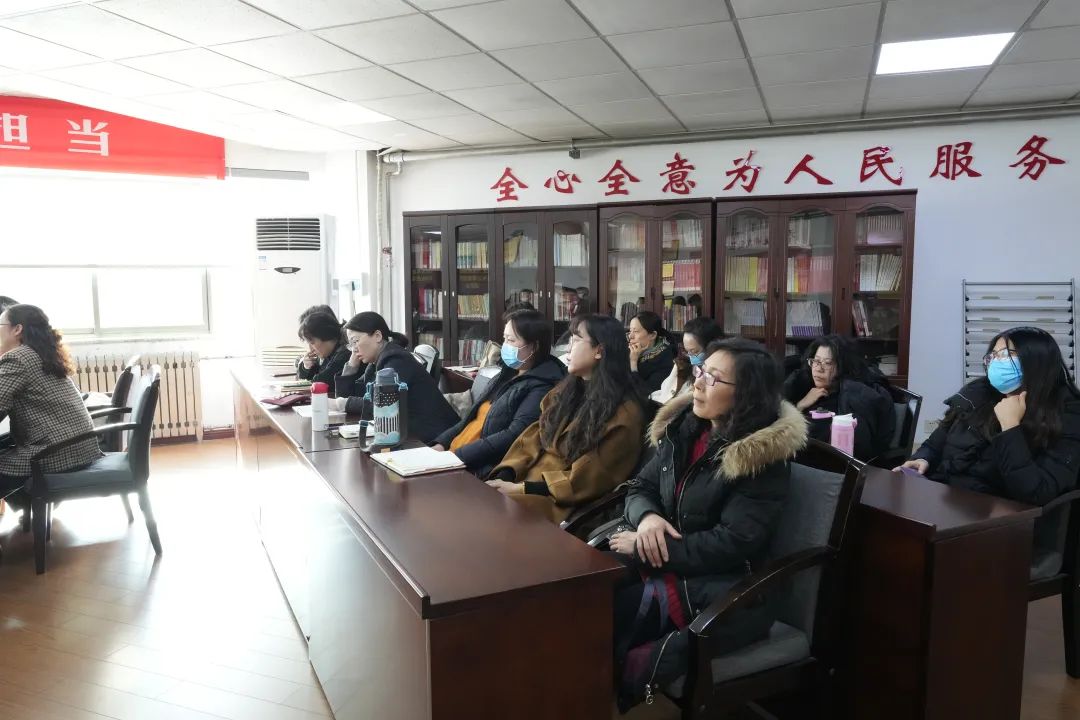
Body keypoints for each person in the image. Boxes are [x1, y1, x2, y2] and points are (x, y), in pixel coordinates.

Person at [609, 338, 807, 711]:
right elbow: (641, 487)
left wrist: (650, 547)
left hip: (722, 585)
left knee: (603, 616)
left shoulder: (759, 456)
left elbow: (733, 542)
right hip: (669, 560)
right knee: (583, 587)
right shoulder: (687, 428)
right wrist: (648, 519)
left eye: (713, 378)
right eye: (701, 370)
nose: (697, 383)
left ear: (746, 395)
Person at [897, 327, 1080, 561]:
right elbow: (937, 441)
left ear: (1036, 361)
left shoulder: (1067, 415)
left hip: (1006, 525)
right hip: (949, 505)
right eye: (993, 355)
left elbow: (1036, 492)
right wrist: (923, 457)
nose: (996, 362)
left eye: (1007, 355)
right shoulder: (979, 393)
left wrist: (1011, 428)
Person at [486, 314, 645, 524]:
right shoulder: (565, 391)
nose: (568, 347)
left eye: (577, 339)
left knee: (490, 515)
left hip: (560, 505)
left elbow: (587, 479)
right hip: (524, 482)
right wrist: (506, 475)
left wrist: (521, 488)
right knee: (479, 499)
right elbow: (533, 438)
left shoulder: (624, 414)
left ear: (599, 350)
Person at [432, 309, 565, 477]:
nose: (505, 345)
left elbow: (513, 435)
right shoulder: (506, 373)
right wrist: (441, 444)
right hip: (453, 457)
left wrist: (456, 457)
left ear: (534, 346)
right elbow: (471, 417)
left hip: (475, 467)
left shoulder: (542, 386)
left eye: (511, 340)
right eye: (504, 339)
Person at [0, 304, 103, 508]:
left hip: (54, 454)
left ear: (17, 329)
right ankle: (29, 509)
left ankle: (30, 505)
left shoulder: (18, 357)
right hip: (78, 447)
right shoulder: (42, 353)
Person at [335, 312, 458, 444]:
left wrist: (341, 404)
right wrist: (352, 365)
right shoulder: (377, 362)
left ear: (377, 336)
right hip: (412, 435)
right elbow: (351, 395)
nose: (354, 349)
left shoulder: (396, 361)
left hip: (437, 439)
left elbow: (381, 404)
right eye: (350, 344)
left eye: (355, 341)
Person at [783, 334, 895, 461]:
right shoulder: (804, 386)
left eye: (827, 363)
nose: (818, 369)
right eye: (816, 361)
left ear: (842, 367)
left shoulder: (853, 398)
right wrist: (801, 405)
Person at [651, 316, 723, 404]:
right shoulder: (682, 366)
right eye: (687, 351)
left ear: (712, 347)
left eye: (695, 351)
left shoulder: (721, 374)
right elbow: (664, 393)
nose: (691, 357)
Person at [296, 311, 353, 387]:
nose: (311, 349)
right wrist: (306, 367)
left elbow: (321, 381)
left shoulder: (345, 353)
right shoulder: (328, 352)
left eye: (312, 343)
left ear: (326, 336)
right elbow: (304, 378)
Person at [628, 311, 676, 395]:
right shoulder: (629, 348)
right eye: (630, 331)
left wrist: (633, 362)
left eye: (636, 331)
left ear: (652, 335)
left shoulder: (665, 360)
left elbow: (645, 394)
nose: (630, 336)